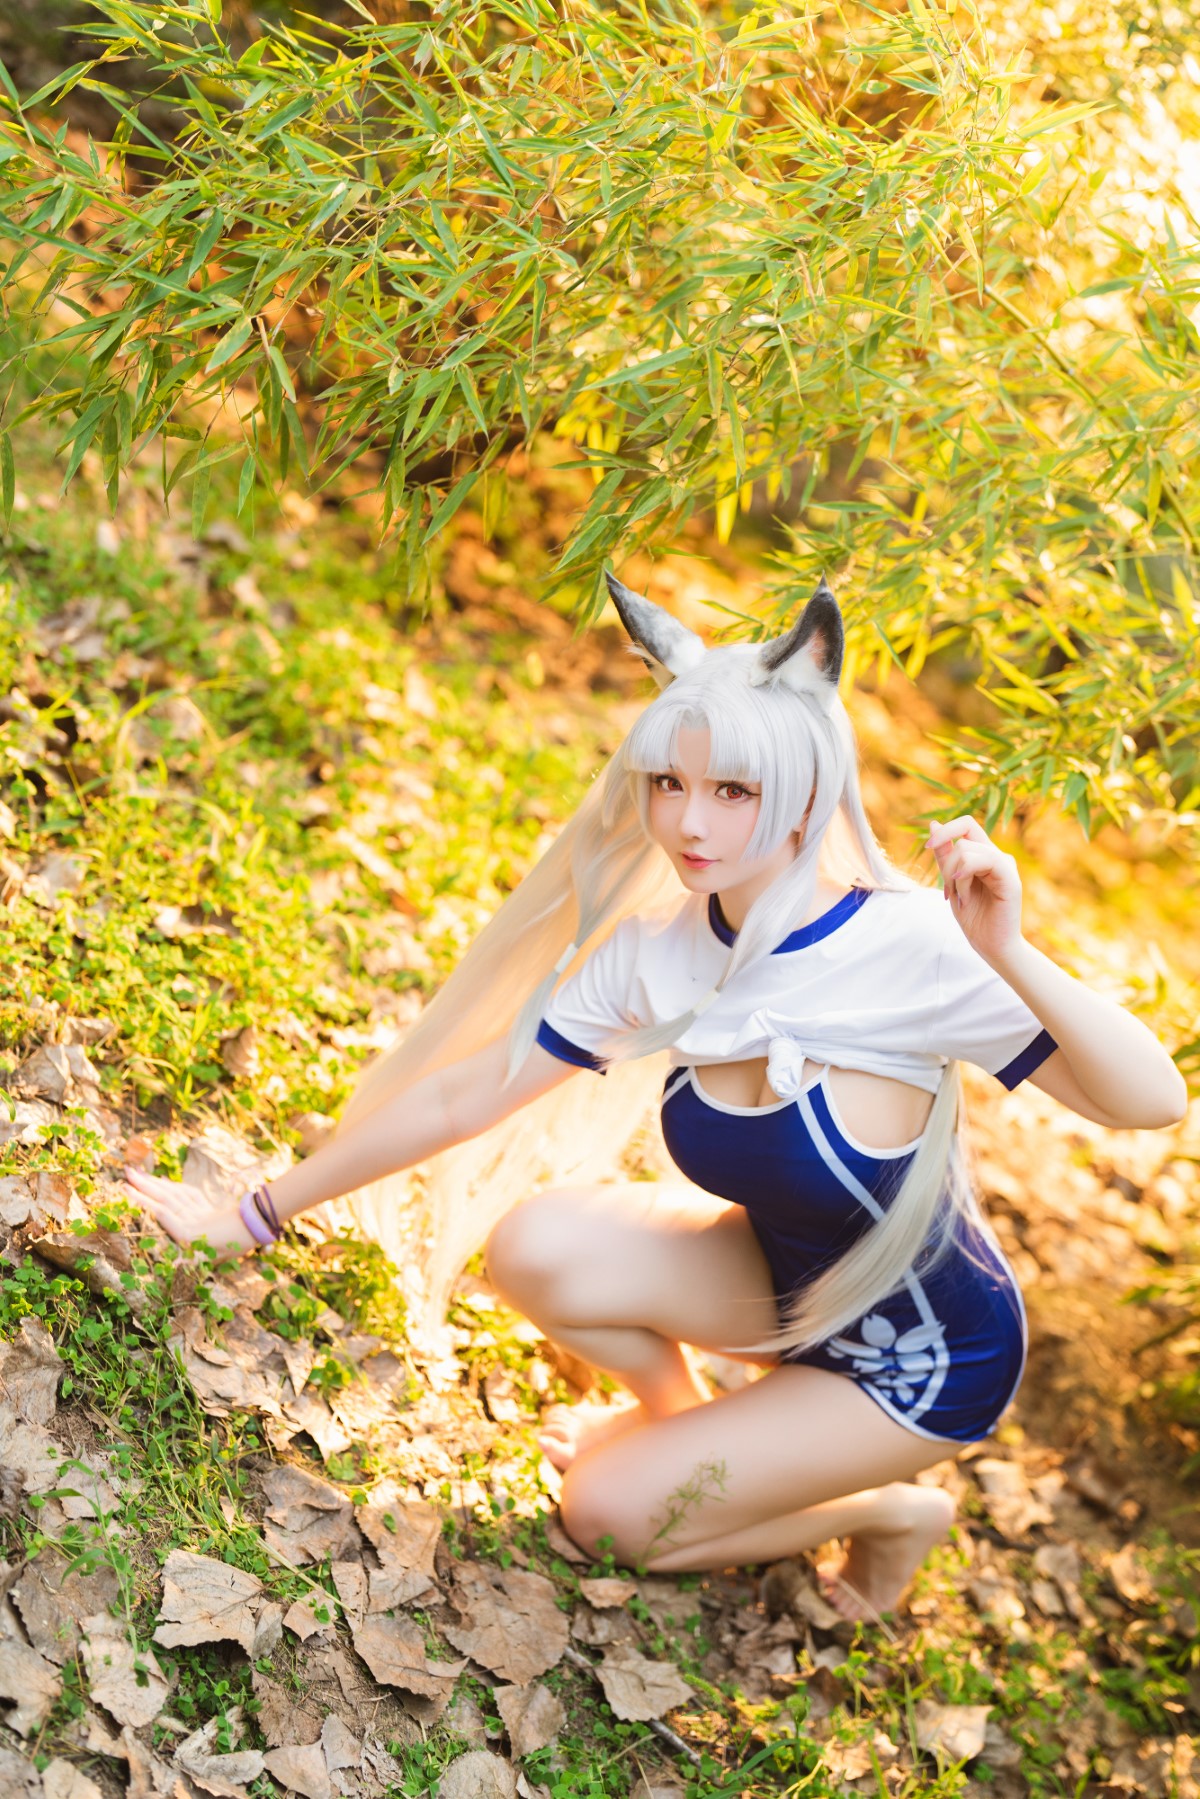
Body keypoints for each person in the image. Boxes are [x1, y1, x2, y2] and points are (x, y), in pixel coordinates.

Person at [124, 574, 1186, 1619]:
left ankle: (891, 1507)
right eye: (669, 782)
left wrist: (1007, 951)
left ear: (806, 789)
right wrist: (254, 1212)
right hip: (777, 1278)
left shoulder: (911, 947)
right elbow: (466, 1094)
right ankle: (680, 1427)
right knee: (533, 1246)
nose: (689, 821)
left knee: (603, 1514)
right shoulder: (659, 951)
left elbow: (1150, 1101)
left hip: (918, 1352)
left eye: (733, 791)